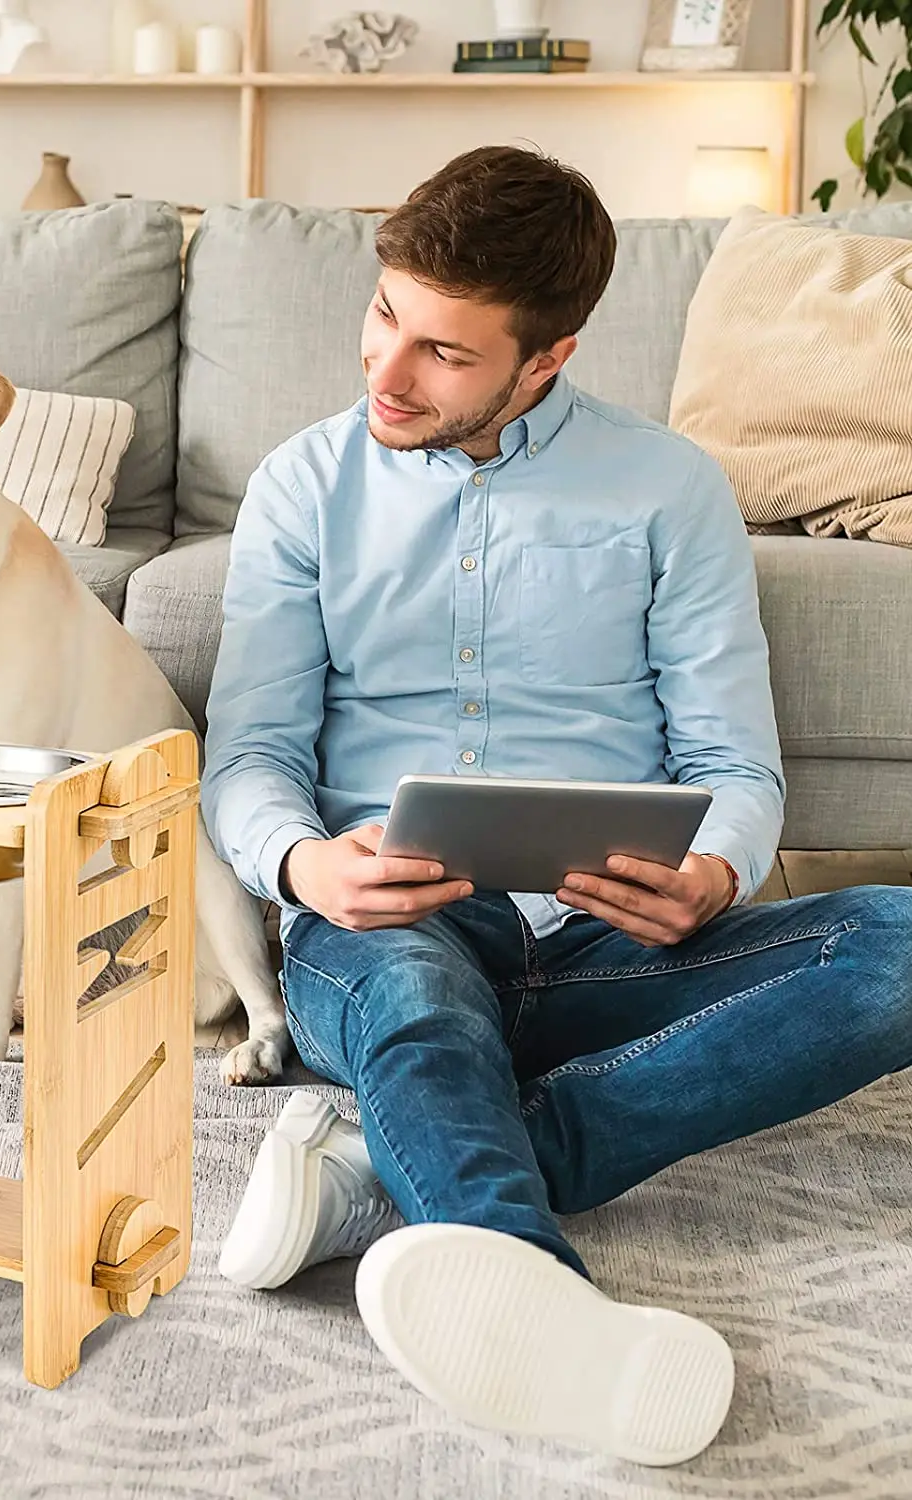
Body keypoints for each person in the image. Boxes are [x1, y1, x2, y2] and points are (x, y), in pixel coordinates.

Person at [202, 144, 912, 1468]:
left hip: (611, 941)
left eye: (445, 354)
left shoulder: (668, 489)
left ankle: (386, 1173)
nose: (386, 373)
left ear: (548, 356)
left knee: (902, 951)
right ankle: (536, 1290)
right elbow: (244, 757)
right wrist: (304, 869)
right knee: (415, 1002)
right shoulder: (304, 486)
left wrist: (714, 874)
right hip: (393, 926)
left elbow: (738, 767)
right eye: (384, 319)